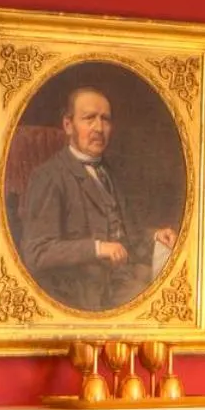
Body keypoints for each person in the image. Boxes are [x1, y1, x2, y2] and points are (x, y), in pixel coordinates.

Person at [19, 86, 176, 311]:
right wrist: (97, 248)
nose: (99, 128)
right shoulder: (48, 177)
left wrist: (155, 236)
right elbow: (36, 253)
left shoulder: (110, 172)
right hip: (84, 294)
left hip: (124, 279)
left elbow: (125, 236)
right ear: (68, 125)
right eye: (89, 118)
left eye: (105, 119)